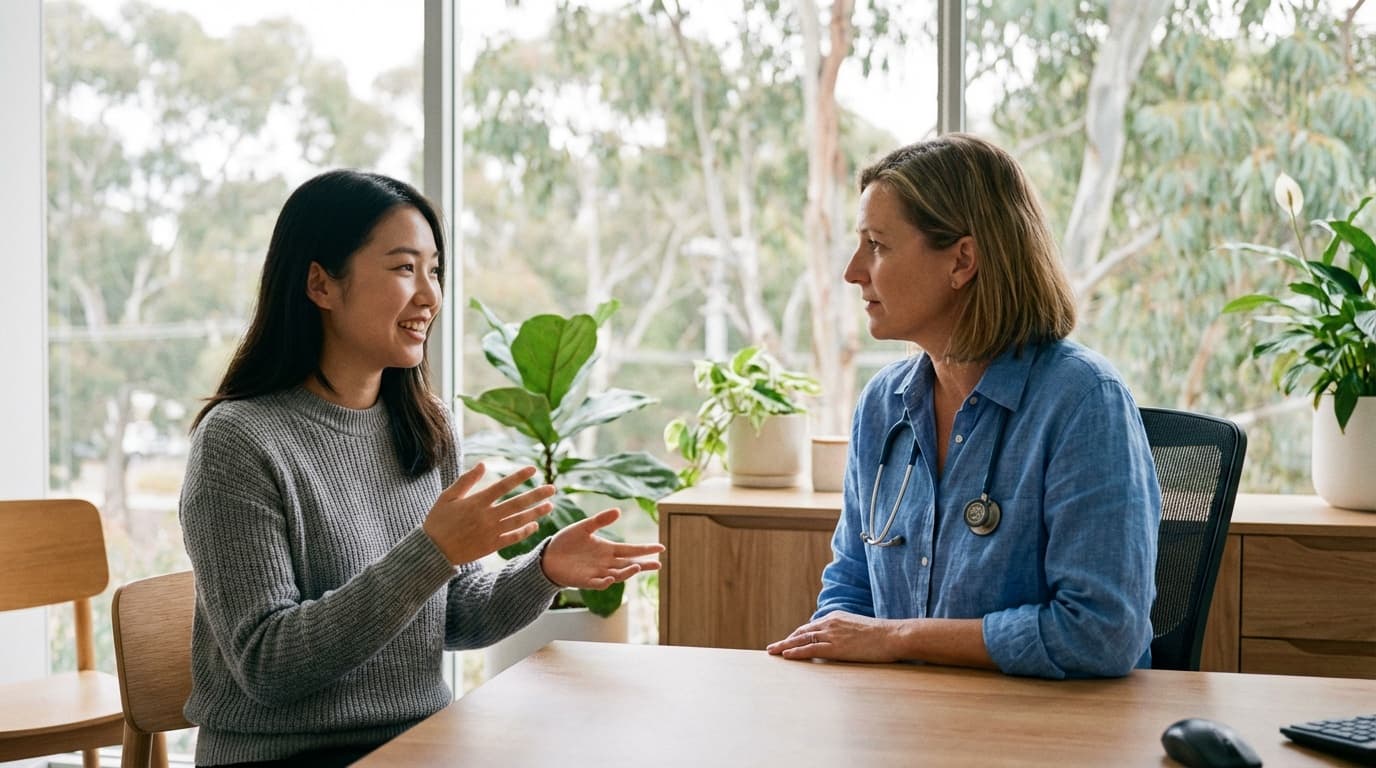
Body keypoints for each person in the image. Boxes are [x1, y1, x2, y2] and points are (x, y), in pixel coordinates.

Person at [179, 169, 664, 767]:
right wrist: (431, 552)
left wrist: (543, 571)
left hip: (419, 744)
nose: (430, 296)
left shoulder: (422, 425)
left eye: (434, 270)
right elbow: (267, 665)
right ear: (320, 284)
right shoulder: (239, 442)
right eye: (404, 268)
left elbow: (452, 612)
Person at [766, 134, 1161, 679]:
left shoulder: (1084, 402)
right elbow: (851, 588)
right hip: (903, 724)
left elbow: (1101, 632)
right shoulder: (882, 404)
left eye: (877, 244)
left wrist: (898, 637)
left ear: (962, 260)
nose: (853, 270)